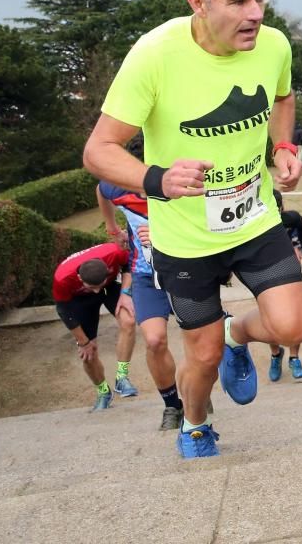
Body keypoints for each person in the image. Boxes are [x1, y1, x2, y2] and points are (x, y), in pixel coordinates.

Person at [82, 0, 302, 459]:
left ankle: (237, 334)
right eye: (238, 2)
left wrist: (281, 146)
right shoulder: (155, 54)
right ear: (198, 3)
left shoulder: (273, 45)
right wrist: (155, 178)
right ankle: (195, 422)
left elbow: (283, 96)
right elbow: (98, 151)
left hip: (253, 218)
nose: (255, 14)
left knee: (294, 325)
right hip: (185, 238)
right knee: (200, 359)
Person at [97, 173, 186, 431]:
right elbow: (102, 189)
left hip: (186, 270)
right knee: (154, 340)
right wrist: (111, 226)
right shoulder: (118, 184)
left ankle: (199, 392)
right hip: (145, 275)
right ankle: (172, 405)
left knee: (198, 336)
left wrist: (163, 233)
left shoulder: (182, 184)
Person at [53, 243, 137, 412]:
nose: (96, 291)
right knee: (88, 354)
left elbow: (128, 266)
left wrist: (125, 294)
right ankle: (103, 392)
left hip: (110, 288)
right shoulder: (62, 278)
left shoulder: (114, 253)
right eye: (92, 287)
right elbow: (64, 310)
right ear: (79, 279)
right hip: (79, 300)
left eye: (99, 285)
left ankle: (121, 378)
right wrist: (83, 342)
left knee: (128, 321)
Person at [268, 189, 302, 381]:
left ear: (281, 207)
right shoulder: (252, 224)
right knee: (270, 317)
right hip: (265, 274)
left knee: (295, 314)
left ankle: (294, 358)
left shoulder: (290, 218)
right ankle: (276, 355)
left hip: (290, 269)